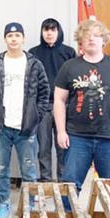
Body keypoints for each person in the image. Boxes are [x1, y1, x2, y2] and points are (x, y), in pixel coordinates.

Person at [54, 19, 110, 213]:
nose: (91, 38)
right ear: (80, 41)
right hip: (76, 137)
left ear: (104, 40)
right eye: (87, 35)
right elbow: (59, 100)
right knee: (70, 185)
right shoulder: (69, 67)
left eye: (96, 35)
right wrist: (61, 131)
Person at [0, 22, 49, 218]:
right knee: (1, 169)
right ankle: (4, 206)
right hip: (0, 128)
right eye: (10, 36)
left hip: (25, 128)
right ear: (4, 39)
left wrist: (35, 117)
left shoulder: (34, 64)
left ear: (23, 38)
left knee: (29, 170)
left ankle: (29, 208)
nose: (13, 39)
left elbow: (44, 92)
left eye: (17, 35)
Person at [29, 18, 76, 182]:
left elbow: (74, 80)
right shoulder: (33, 53)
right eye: (46, 30)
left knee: (63, 145)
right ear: (42, 32)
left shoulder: (69, 52)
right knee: (43, 147)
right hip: (42, 107)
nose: (49, 33)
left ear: (59, 32)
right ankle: (46, 179)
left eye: (53, 30)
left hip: (63, 106)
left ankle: (63, 180)